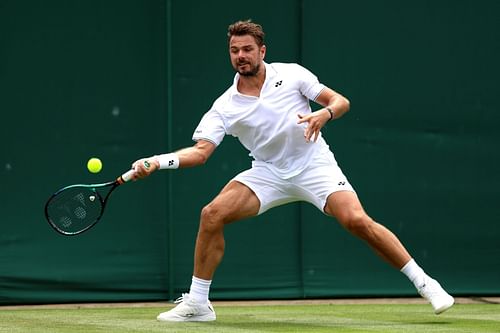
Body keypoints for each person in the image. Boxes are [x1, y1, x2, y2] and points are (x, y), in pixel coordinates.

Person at [131, 20, 454, 322]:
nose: (240, 56)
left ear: (261, 51)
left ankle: (426, 283)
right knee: (212, 214)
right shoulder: (225, 105)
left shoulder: (293, 74)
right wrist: (159, 160)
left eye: (246, 49)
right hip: (268, 173)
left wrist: (324, 114)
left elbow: (340, 101)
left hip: (314, 165)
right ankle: (199, 303)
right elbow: (200, 153)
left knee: (356, 220)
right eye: (234, 51)